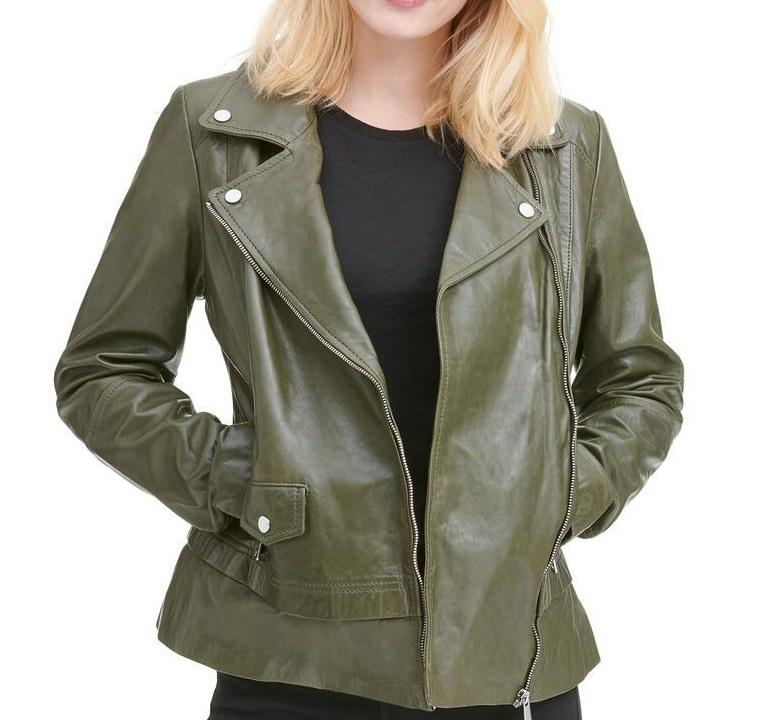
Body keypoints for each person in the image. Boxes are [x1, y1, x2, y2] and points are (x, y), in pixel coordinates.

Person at [53, 0, 685, 718]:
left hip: (503, 656)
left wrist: (560, 491)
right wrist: (237, 475)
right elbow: (102, 370)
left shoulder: (563, 147)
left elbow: (641, 380)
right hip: (287, 655)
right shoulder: (214, 133)